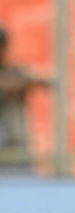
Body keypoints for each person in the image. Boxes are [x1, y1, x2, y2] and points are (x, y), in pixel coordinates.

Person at [0, 26, 51, 176]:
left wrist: (24, 81)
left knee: (23, 183)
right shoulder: (16, 76)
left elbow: (44, 81)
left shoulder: (16, 71)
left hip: (16, 147)